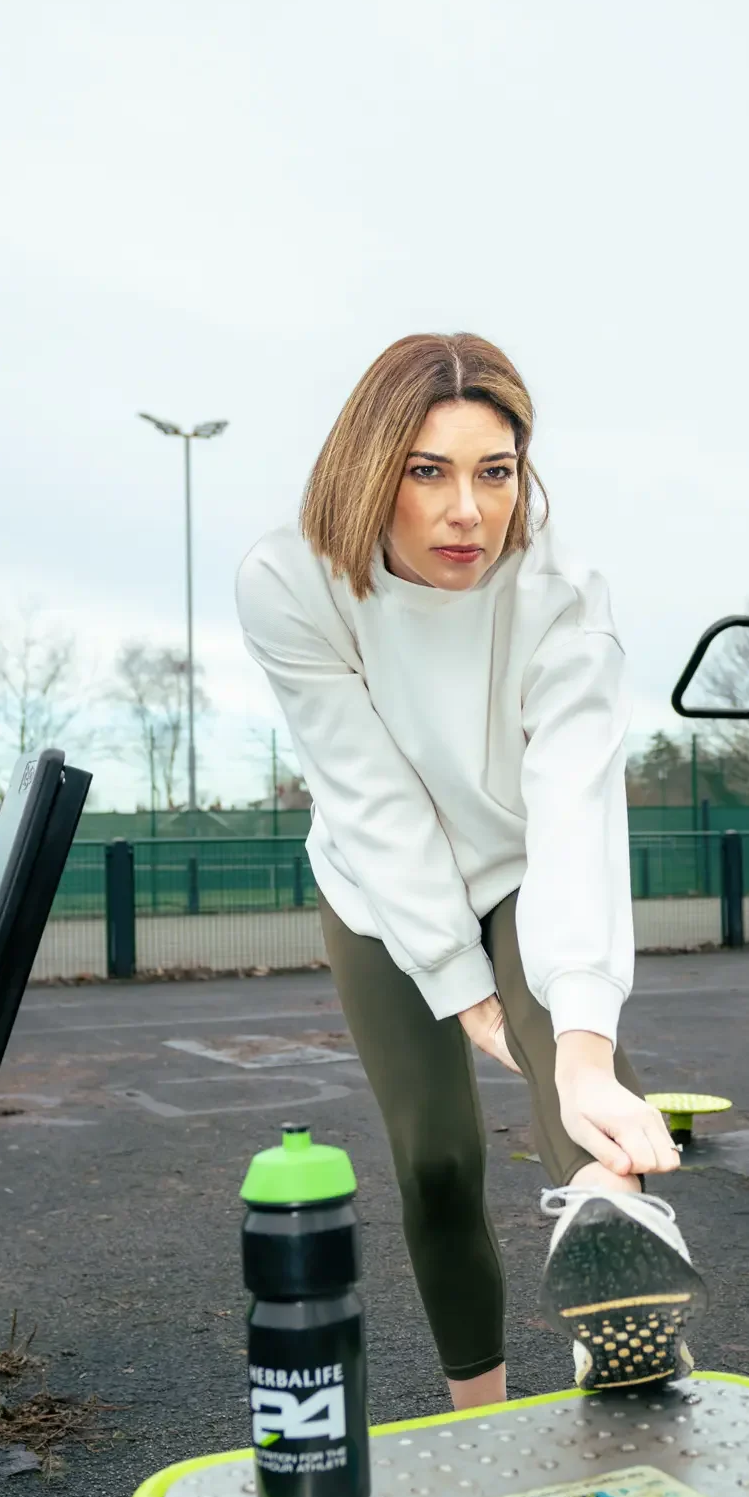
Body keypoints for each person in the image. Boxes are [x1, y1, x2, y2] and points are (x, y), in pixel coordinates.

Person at [236, 332, 705, 1410]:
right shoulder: (291, 581)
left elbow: (578, 808)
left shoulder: (562, 595)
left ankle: (614, 1251)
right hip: (376, 879)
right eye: (427, 471)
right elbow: (369, 795)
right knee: (438, 1159)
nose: (467, 512)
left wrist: (581, 1043)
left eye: (494, 473)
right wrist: (457, 980)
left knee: (581, 1096)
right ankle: (476, 1422)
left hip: (522, 865)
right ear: (371, 473)